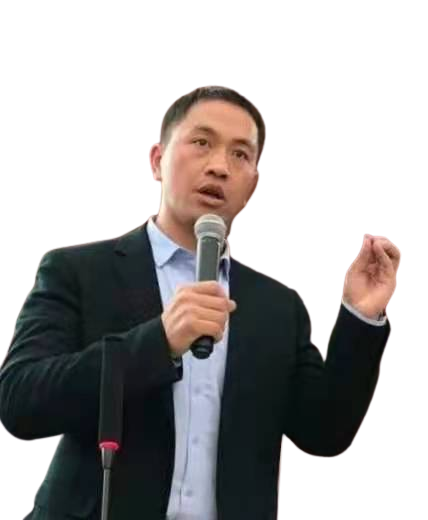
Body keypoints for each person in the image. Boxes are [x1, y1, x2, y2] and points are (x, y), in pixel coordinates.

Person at [0, 85, 401, 520]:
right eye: (201, 142)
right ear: (157, 160)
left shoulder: (278, 307)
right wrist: (159, 342)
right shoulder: (76, 271)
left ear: (252, 186)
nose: (219, 167)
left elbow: (326, 433)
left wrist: (360, 314)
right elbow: (21, 402)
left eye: (240, 155)